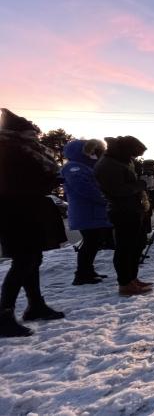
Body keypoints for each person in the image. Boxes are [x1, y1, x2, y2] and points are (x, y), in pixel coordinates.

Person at [0, 109, 66, 337]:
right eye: (31, 132)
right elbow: (16, 184)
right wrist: (47, 178)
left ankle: (35, 305)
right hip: (15, 212)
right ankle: (4, 314)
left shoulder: (23, 149)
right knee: (23, 261)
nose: (35, 135)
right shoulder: (9, 150)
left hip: (28, 208)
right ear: (19, 132)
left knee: (32, 259)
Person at [94, 135, 153, 296]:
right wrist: (142, 184)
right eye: (134, 154)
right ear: (127, 150)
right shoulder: (108, 164)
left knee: (137, 245)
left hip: (134, 209)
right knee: (125, 248)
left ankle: (132, 278)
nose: (135, 158)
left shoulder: (122, 160)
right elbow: (118, 190)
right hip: (122, 211)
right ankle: (125, 283)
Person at [62, 139, 113, 286]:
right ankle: (82, 274)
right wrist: (105, 199)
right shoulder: (74, 168)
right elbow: (85, 188)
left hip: (93, 212)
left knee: (93, 243)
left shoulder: (87, 167)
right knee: (90, 243)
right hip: (86, 211)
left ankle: (87, 271)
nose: (94, 154)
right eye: (91, 151)